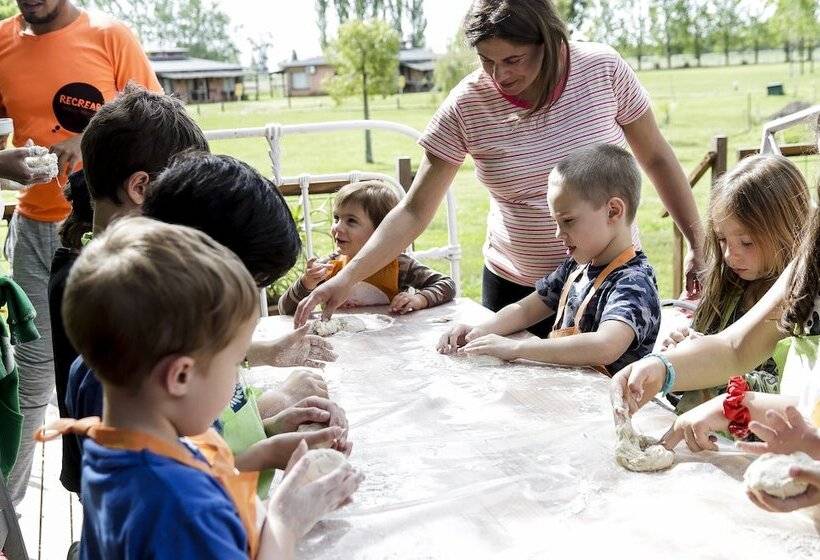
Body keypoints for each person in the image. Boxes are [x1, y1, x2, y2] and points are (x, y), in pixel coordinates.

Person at [293, 0, 704, 331]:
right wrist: (347, 277)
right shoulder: (467, 105)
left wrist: (697, 242)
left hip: (605, 282)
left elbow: (656, 158)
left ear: (549, 40)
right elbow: (416, 209)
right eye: (487, 61)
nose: (499, 75)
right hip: (515, 291)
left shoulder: (602, 69)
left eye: (513, 59)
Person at [51, 87, 337, 494]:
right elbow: (171, 488)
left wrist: (269, 427)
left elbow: (206, 441)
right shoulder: (111, 312)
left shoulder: (147, 307)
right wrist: (269, 457)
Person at [43, 217, 362, 559]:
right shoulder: (178, 502)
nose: (238, 378)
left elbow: (213, 488)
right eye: (237, 362)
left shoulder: (116, 446)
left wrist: (270, 449)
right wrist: (287, 519)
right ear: (180, 377)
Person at [0, 0, 162, 504]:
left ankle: (125, 511)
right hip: (36, 231)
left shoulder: (111, 36)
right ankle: (8, 524)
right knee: (30, 379)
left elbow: (162, 126)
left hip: (114, 230)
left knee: (126, 373)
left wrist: (88, 136)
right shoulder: (1, 44)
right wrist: (2, 163)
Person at [611, 172, 820, 512]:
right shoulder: (811, 261)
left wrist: (740, 406)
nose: (729, 255)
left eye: (747, 243)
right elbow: (735, 348)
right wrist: (662, 368)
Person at [438, 144, 660, 373]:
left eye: (568, 221)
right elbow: (526, 310)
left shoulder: (634, 283)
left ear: (613, 211)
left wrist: (517, 348)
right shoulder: (575, 269)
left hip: (610, 404)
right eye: (555, 221)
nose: (558, 234)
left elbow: (605, 345)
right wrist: (478, 331)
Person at [660, 155, 810, 413]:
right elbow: (685, 393)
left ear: (788, 231)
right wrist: (678, 360)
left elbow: (792, 394)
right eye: (721, 240)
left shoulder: (804, 304)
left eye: (747, 243)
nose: (730, 255)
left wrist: (704, 366)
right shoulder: (727, 291)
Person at [278, 180, 456, 315]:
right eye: (336, 218)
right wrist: (306, 283)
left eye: (351, 221)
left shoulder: (399, 265)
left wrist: (419, 299)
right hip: (340, 349)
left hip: (390, 348)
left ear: (381, 231)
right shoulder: (329, 267)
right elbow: (285, 310)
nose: (337, 228)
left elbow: (446, 285)